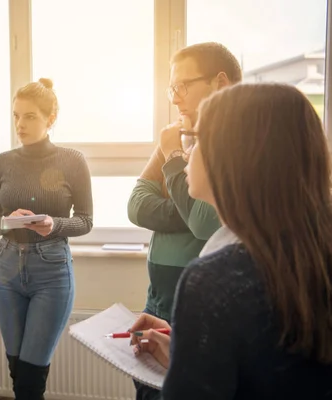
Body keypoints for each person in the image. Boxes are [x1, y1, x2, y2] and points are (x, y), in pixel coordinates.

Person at [130, 83, 332, 399]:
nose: (187, 151)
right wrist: (191, 352)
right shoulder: (313, 251)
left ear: (234, 158)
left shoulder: (214, 280)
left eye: (196, 139)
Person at [127, 42, 242, 399]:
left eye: (183, 86)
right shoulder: (179, 135)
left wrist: (174, 160)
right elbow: (136, 206)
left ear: (219, 83)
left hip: (195, 304)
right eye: (171, 88)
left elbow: (204, 224)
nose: (175, 98)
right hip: (157, 300)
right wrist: (188, 203)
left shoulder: (234, 141)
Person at [0, 78, 93, 399]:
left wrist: (54, 223)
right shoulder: (1, 162)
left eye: (30, 116)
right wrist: (7, 222)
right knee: (18, 374)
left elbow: (85, 221)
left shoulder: (72, 161)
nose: (20, 124)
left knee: (30, 379)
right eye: (16, 115)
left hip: (52, 271)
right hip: (6, 269)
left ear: (51, 119)